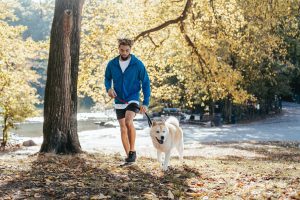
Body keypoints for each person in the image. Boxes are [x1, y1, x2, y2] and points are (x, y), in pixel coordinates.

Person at [104, 38, 151, 163]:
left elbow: (146, 83)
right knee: (122, 127)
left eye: (127, 50)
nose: (124, 53)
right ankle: (129, 157)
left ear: (130, 49)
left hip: (133, 98)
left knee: (128, 121)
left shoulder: (137, 64)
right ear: (118, 49)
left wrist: (146, 103)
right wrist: (109, 89)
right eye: (122, 50)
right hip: (118, 99)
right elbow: (107, 78)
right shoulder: (112, 63)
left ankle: (133, 150)